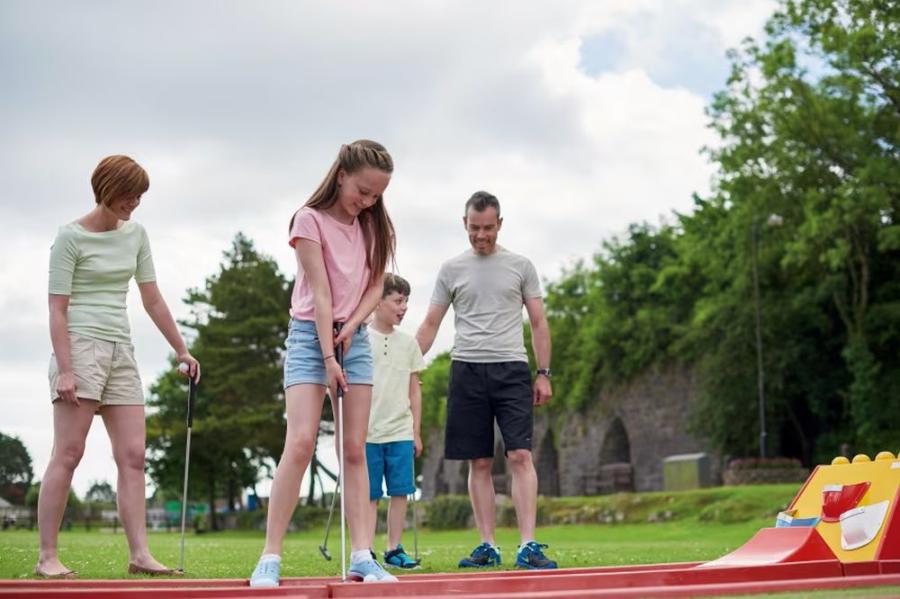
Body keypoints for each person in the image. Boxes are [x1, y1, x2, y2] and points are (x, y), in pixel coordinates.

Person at [40, 155, 200, 578]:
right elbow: (58, 310)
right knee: (69, 454)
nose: (136, 202)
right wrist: (68, 369)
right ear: (108, 189)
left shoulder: (136, 235)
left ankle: (139, 554)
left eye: (140, 195)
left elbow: (152, 299)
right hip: (80, 347)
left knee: (133, 455)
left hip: (121, 352)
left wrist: (182, 350)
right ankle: (47, 557)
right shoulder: (69, 238)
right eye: (130, 194)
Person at [249, 140, 398, 587]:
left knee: (354, 449)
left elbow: (376, 287)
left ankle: (362, 555)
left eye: (376, 195)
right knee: (300, 441)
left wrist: (352, 328)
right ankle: (269, 557)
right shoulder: (308, 220)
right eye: (362, 191)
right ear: (341, 176)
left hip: (355, 338)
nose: (367, 202)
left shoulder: (372, 227)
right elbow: (322, 293)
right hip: (309, 338)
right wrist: (330, 354)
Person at [416, 191, 557, 570]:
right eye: (475, 228)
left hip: (511, 368)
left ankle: (527, 544)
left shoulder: (520, 266)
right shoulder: (451, 270)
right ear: (465, 224)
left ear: (500, 224)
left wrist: (543, 373)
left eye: (489, 228)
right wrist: (406, 365)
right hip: (467, 370)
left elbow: (539, 322)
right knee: (478, 462)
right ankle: (487, 545)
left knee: (520, 455)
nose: (482, 236)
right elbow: (431, 323)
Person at [366, 274, 426, 569]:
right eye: (397, 301)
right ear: (378, 302)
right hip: (366, 432)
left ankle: (393, 549)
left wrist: (415, 431)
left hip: (400, 430)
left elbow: (415, 389)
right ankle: (364, 551)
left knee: (401, 491)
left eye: (406, 302)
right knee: (369, 494)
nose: (403, 308)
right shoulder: (361, 338)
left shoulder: (409, 343)